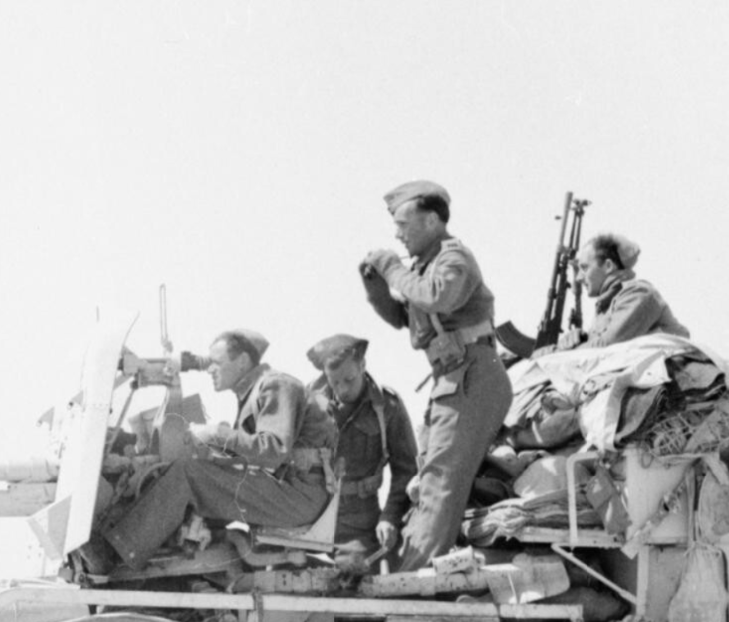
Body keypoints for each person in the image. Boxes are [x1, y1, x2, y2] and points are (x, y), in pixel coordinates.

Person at [92, 329, 338, 573]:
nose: (210, 369)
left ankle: (116, 553)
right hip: (287, 488)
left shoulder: (275, 384)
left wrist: (216, 434)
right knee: (193, 472)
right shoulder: (253, 393)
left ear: (242, 361)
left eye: (217, 363)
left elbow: (273, 450)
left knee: (190, 474)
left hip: (299, 493)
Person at [360, 180, 513, 572]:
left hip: (472, 376)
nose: (398, 234)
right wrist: (376, 286)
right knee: (427, 481)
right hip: (453, 378)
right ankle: (410, 569)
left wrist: (391, 268)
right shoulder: (425, 268)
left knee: (440, 482)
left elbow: (436, 297)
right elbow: (406, 319)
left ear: (431, 221)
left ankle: (412, 579)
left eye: (403, 224)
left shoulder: (453, 258)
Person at [305, 334, 418, 567]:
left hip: (358, 522)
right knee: (276, 570)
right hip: (309, 511)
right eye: (334, 382)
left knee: (354, 577)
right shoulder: (308, 402)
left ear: (362, 365)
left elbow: (406, 470)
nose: (342, 389)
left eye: (349, 379)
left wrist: (389, 517)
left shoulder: (388, 406)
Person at [560, 232, 690, 349]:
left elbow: (607, 348)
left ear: (608, 266)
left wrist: (559, 352)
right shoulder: (609, 304)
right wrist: (580, 339)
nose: (578, 277)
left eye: (584, 268)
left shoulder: (638, 294)